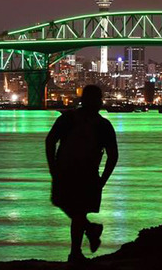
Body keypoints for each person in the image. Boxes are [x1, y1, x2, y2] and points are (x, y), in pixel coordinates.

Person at [45, 85, 118, 262]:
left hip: (66, 170)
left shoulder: (68, 119)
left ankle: (77, 251)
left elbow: (50, 141)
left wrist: (53, 167)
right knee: (77, 212)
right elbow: (113, 155)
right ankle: (86, 237)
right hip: (88, 173)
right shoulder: (103, 125)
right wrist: (103, 180)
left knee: (72, 209)